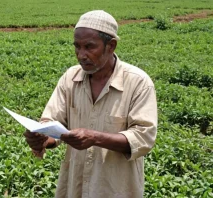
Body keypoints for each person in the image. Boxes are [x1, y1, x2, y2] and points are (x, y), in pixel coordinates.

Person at [23, 10, 157, 198]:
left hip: (115, 189)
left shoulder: (138, 83)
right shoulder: (70, 78)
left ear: (111, 46)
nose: (81, 55)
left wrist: (94, 137)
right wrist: (43, 138)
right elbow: (53, 123)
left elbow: (144, 138)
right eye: (77, 46)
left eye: (89, 47)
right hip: (75, 186)